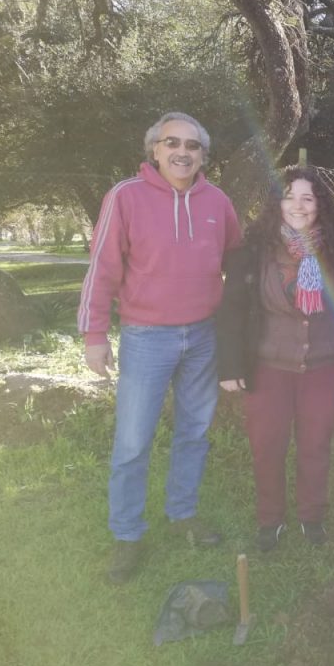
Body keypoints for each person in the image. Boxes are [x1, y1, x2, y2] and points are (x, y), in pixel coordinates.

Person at [78, 112, 241, 583]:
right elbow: (102, 270)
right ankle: (127, 535)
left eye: (192, 145)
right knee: (132, 441)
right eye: (172, 142)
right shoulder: (125, 196)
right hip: (146, 337)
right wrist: (94, 336)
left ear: (203, 155)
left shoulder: (218, 201)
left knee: (194, 432)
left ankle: (183, 514)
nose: (182, 151)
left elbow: (238, 263)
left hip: (203, 336)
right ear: (154, 149)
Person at [216, 167, 334, 552]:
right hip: (268, 366)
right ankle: (270, 521)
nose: (298, 205)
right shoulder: (254, 251)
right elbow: (232, 309)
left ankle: (311, 518)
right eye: (289, 196)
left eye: (308, 198)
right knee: (268, 445)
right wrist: (230, 366)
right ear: (276, 203)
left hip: (324, 364)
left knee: (316, 445)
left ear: (320, 205)